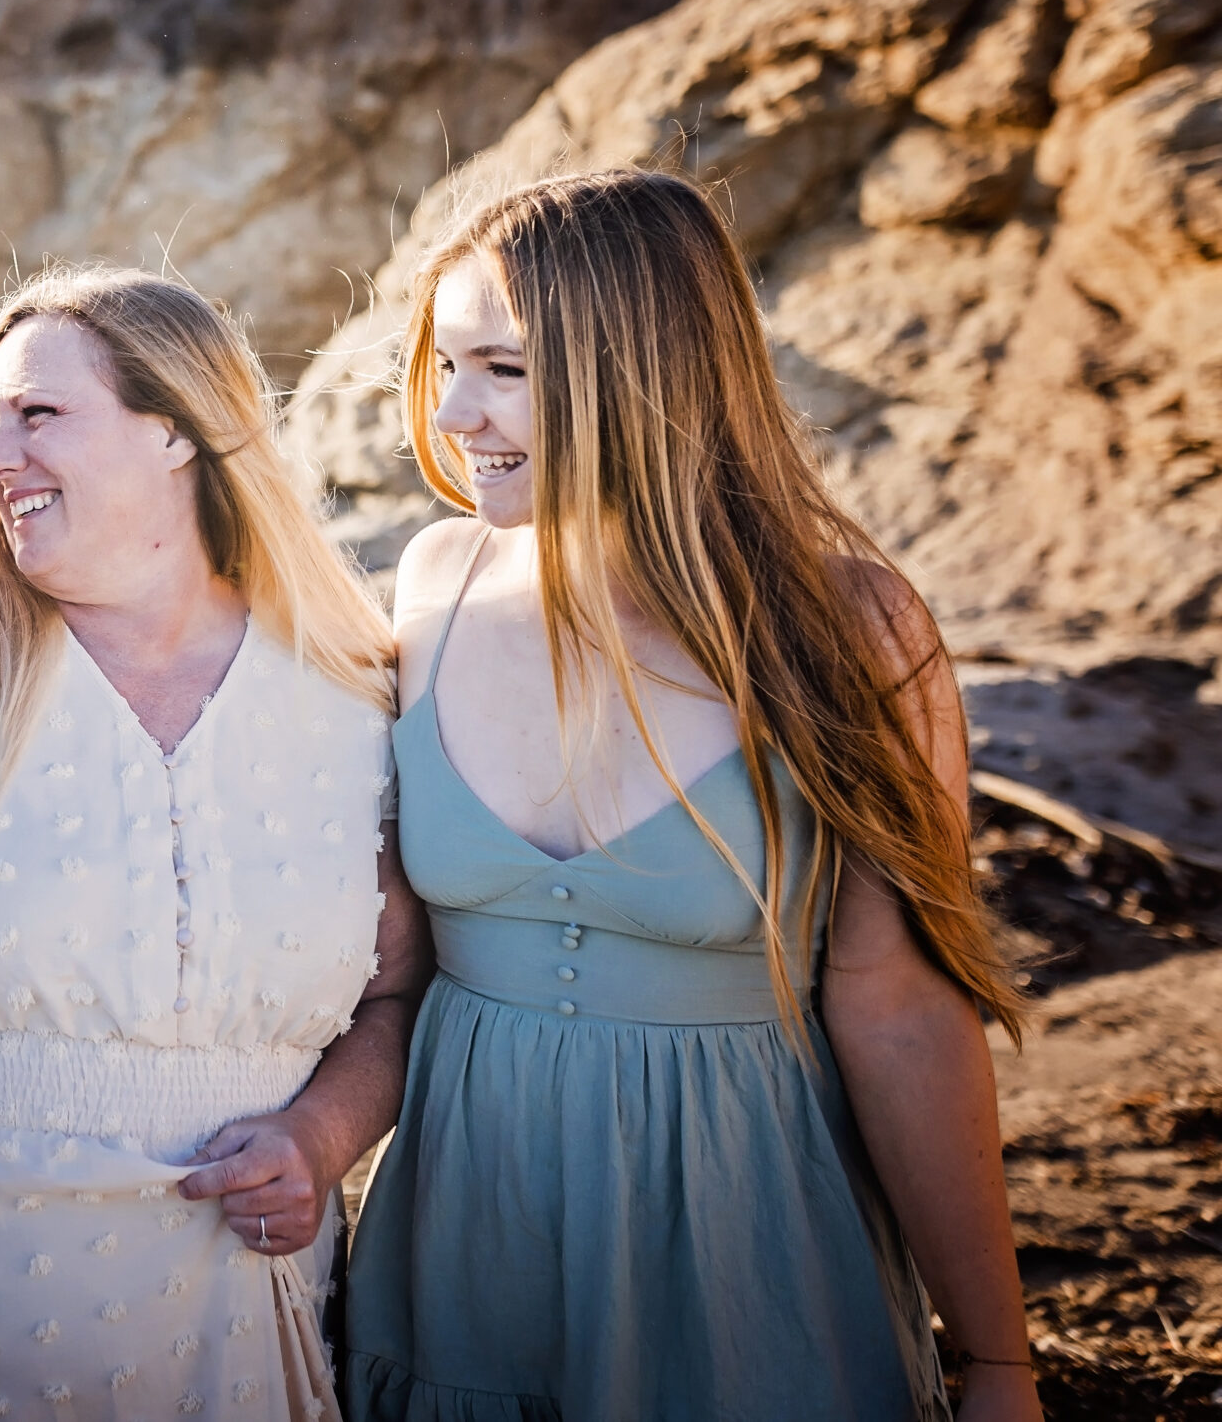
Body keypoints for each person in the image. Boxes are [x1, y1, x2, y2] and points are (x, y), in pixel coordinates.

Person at [343, 170, 1041, 1422]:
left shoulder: (850, 630)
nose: (451, 414)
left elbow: (902, 1016)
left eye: (501, 368)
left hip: (745, 1254)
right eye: (444, 365)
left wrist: (996, 1360)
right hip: (459, 1249)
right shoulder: (430, 582)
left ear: (638, 371)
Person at [0, 266, 433, 1422]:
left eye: (38, 414)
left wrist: (317, 1139)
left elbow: (399, 999)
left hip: (231, 1283)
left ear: (176, 430)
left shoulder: (353, 691)